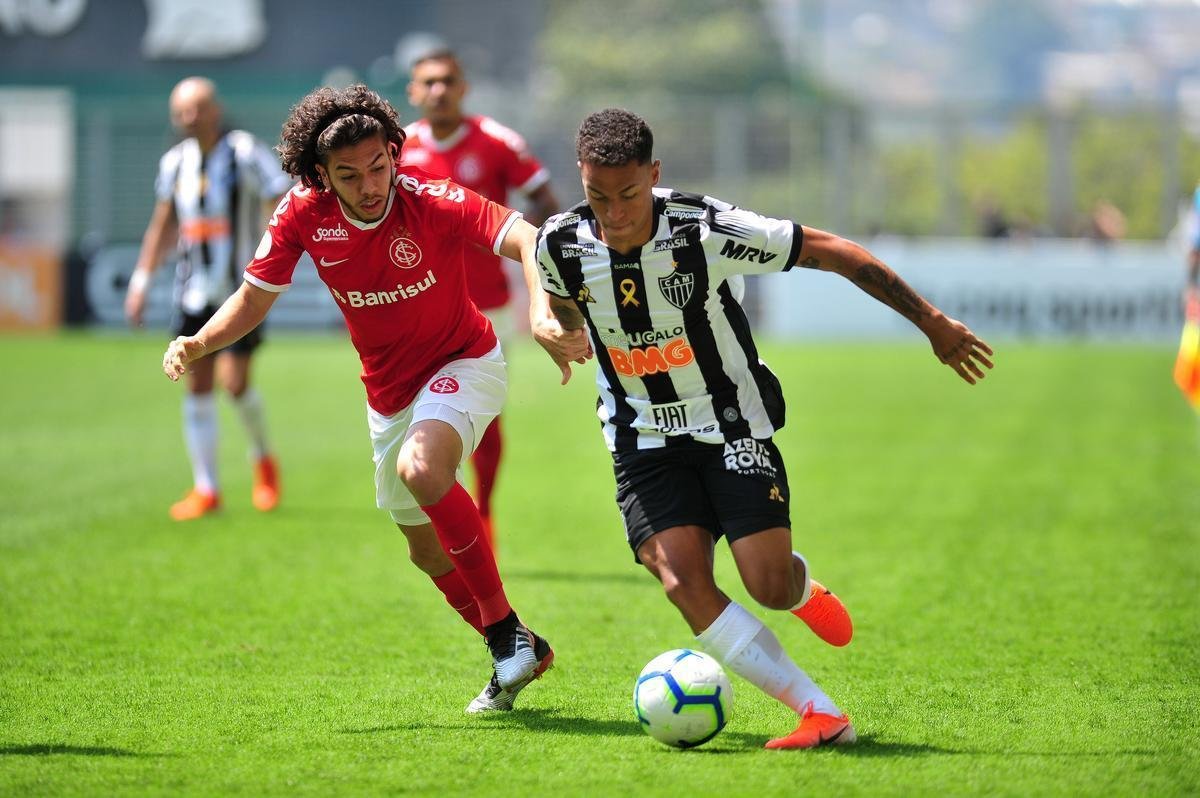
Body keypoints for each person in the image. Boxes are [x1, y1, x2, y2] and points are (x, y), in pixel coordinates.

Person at [535, 109, 994, 749]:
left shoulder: (703, 229)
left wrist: (933, 323)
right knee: (679, 578)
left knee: (767, 586)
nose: (613, 213)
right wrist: (556, 327)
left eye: (630, 195)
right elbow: (557, 297)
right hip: (641, 437)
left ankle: (798, 586)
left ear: (655, 175)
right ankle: (820, 712)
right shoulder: (559, 243)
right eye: (598, 197)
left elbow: (833, 251)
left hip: (730, 423)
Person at [161, 84, 587, 713]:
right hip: (388, 394)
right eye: (349, 175)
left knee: (423, 468)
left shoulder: (429, 198)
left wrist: (545, 315)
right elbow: (254, 297)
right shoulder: (300, 213)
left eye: (379, 168)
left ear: (394, 152)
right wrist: (199, 343)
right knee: (422, 549)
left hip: (465, 360)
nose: (369, 186)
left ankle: (503, 636)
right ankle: (524, 646)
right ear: (320, 175)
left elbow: (525, 236)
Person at [401, 47, 562, 547]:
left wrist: (544, 263)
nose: (438, 90)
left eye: (447, 80)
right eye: (428, 82)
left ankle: (483, 515)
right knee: (414, 410)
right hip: (418, 299)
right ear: (413, 92)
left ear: (463, 87)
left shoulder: (496, 142)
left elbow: (544, 198)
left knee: (481, 411)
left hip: (484, 300)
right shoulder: (397, 146)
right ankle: (435, 511)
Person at [126, 76, 293, 521]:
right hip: (192, 290)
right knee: (195, 383)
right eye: (181, 111)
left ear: (214, 110)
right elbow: (163, 223)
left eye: (196, 109)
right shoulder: (174, 163)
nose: (188, 118)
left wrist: (274, 248)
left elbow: (282, 197)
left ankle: (263, 461)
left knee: (235, 385)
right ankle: (207, 488)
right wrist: (141, 280)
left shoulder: (243, 151)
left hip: (240, 291)